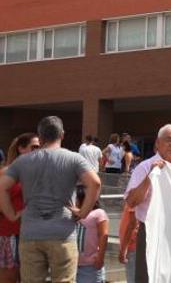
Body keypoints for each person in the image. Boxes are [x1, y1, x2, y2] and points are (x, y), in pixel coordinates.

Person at [0, 117, 101, 283]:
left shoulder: (23, 161)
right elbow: (95, 183)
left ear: (40, 137)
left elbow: (2, 187)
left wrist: (11, 214)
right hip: (62, 232)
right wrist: (83, 212)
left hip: (30, 232)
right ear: (62, 134)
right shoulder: (74, 158)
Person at [124, 124, 171, 283]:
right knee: (148, 276)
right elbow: (131, 201)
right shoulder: (145, 167)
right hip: (151, 230)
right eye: (169, 140)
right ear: (158, 143)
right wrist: (150, 177)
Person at [0, 133, 39, 283]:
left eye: (40, 147)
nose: (38, 150)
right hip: (9, 233)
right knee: (8, 278)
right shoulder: (6, 172)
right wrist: (15, 214)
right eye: (34, 147)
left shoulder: (37, 172)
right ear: (21, 148)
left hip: (32, 234)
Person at [74, 185, 107, 283]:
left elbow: (103, 236)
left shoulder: (98, 213)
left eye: (76, 198)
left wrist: (100, 258)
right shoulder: (74, 213)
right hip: (74, 264)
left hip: (90, 266)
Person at [117, 204, 138, 283]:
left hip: (133, 247)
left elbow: (133, 223)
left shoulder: (134, 195)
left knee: (133, 279)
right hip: (134, 246)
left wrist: (123, 249)